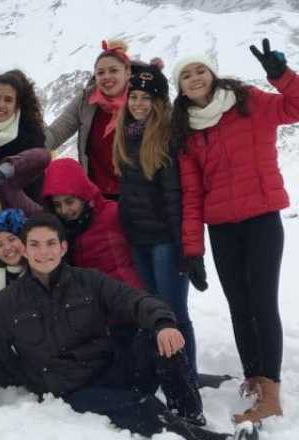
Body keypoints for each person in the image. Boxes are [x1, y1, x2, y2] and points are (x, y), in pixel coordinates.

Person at [0, 213, 239, 440]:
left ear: (63, 248)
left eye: (50, 243)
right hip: (73, 389)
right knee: (144, 408)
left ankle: (191, 417)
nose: (43, 252)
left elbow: (135, 300)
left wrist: (163, 323)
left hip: (111, 369)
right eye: (34, 244)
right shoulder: (8, 301)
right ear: (25, 249)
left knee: (159, 337)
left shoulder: (88, 280)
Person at [172, 38, 299, 424]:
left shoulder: (248, 101)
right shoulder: (186, 129)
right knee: (239, 305)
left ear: (212, 73)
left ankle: (272, 393)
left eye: (200, 70)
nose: (195, 78)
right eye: (186, 75)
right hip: (221, 227)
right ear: (180, 87)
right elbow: (192, 194)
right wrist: (193, 249)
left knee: (263, 303)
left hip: (262, 219)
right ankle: (254, 376)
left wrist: (281, 75)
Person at [113, 59, 203, 381]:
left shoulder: (166, 139)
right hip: (138, 240)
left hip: (166, 241)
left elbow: (175, 198)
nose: (138, 104)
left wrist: (184, 248)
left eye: (147, 98)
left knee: (175, 313)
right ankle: (168, 373)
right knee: (154, 312)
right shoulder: (125, 136)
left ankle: (188, 379)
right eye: (134, 96)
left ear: (159, 103)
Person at [45, 40, 132, 199]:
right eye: (100, 73)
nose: (106, 77)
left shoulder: (141, 101)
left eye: (113, 70)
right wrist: (26, 145)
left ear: (127, 73)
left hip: (138, 194)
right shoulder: (86, 101)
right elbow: (55, 134)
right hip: (97, 195)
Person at [40, 157, 143, 289]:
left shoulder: (112, 213)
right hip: (95, 295)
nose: (64, 210)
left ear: (82, 196)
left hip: (128, 291)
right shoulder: (60, 230)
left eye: (69, 202)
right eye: (57, 205)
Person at [0, 69, 48, 202]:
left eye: (8, 100)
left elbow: (40, 161)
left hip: (18, 204)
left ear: (17, 105)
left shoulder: (30, 135)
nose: (1, 105)